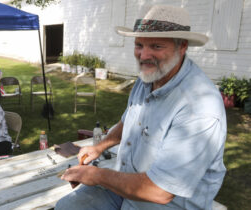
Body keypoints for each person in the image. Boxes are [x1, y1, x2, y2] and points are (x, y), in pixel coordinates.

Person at [56, 5, 226, 210]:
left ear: (182, 47)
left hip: (166, 204)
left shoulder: (199, 106)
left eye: (156, 46)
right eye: (139, 45)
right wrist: (99, 147)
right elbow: (130, 120)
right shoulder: (149, 77)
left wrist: (96, 175)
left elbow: (160, 191)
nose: (144, 55)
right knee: (66, 207)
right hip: (126, 188)